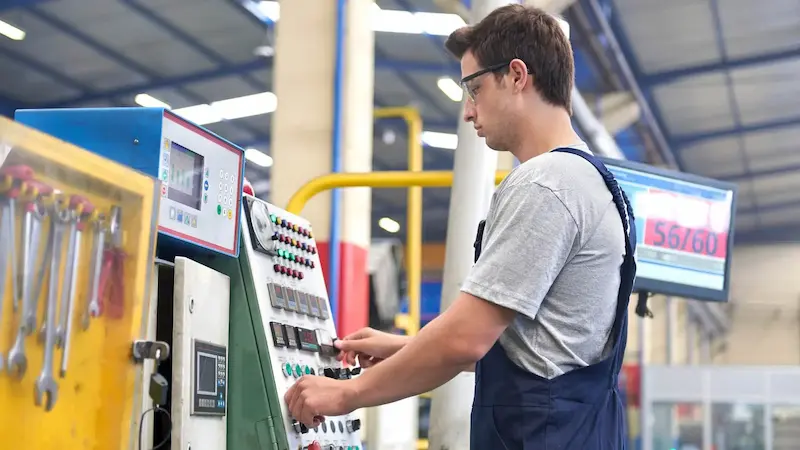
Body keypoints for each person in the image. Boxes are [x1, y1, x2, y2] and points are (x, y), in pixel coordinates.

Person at [284, 4, 637, 448]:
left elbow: (465, 340)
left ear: (516, 76)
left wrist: (347, 393)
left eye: (475, 88)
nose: (469, 111)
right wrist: (400, 348)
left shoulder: (547, 184)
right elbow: (534, 352)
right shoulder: (598, 185)